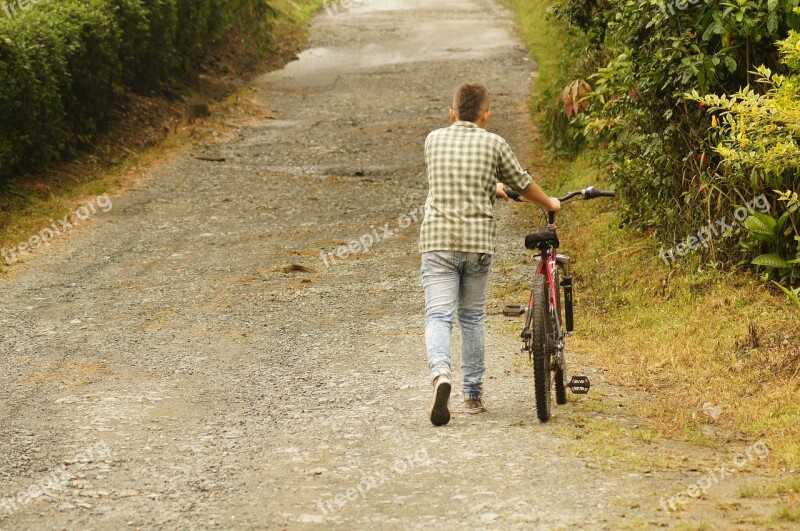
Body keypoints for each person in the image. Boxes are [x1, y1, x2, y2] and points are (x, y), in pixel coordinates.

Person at [420, 83, 561, 426]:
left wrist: (490, 186)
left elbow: (456, 176)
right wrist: (550, 203)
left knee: (439, 316)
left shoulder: (433, 140)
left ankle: (441, 376)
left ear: (451, 114)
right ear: (486, 116)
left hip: (438, 242)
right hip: (477, 244)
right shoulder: (493, 143)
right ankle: (473, 396)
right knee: (471, 317)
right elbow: (523, 184)